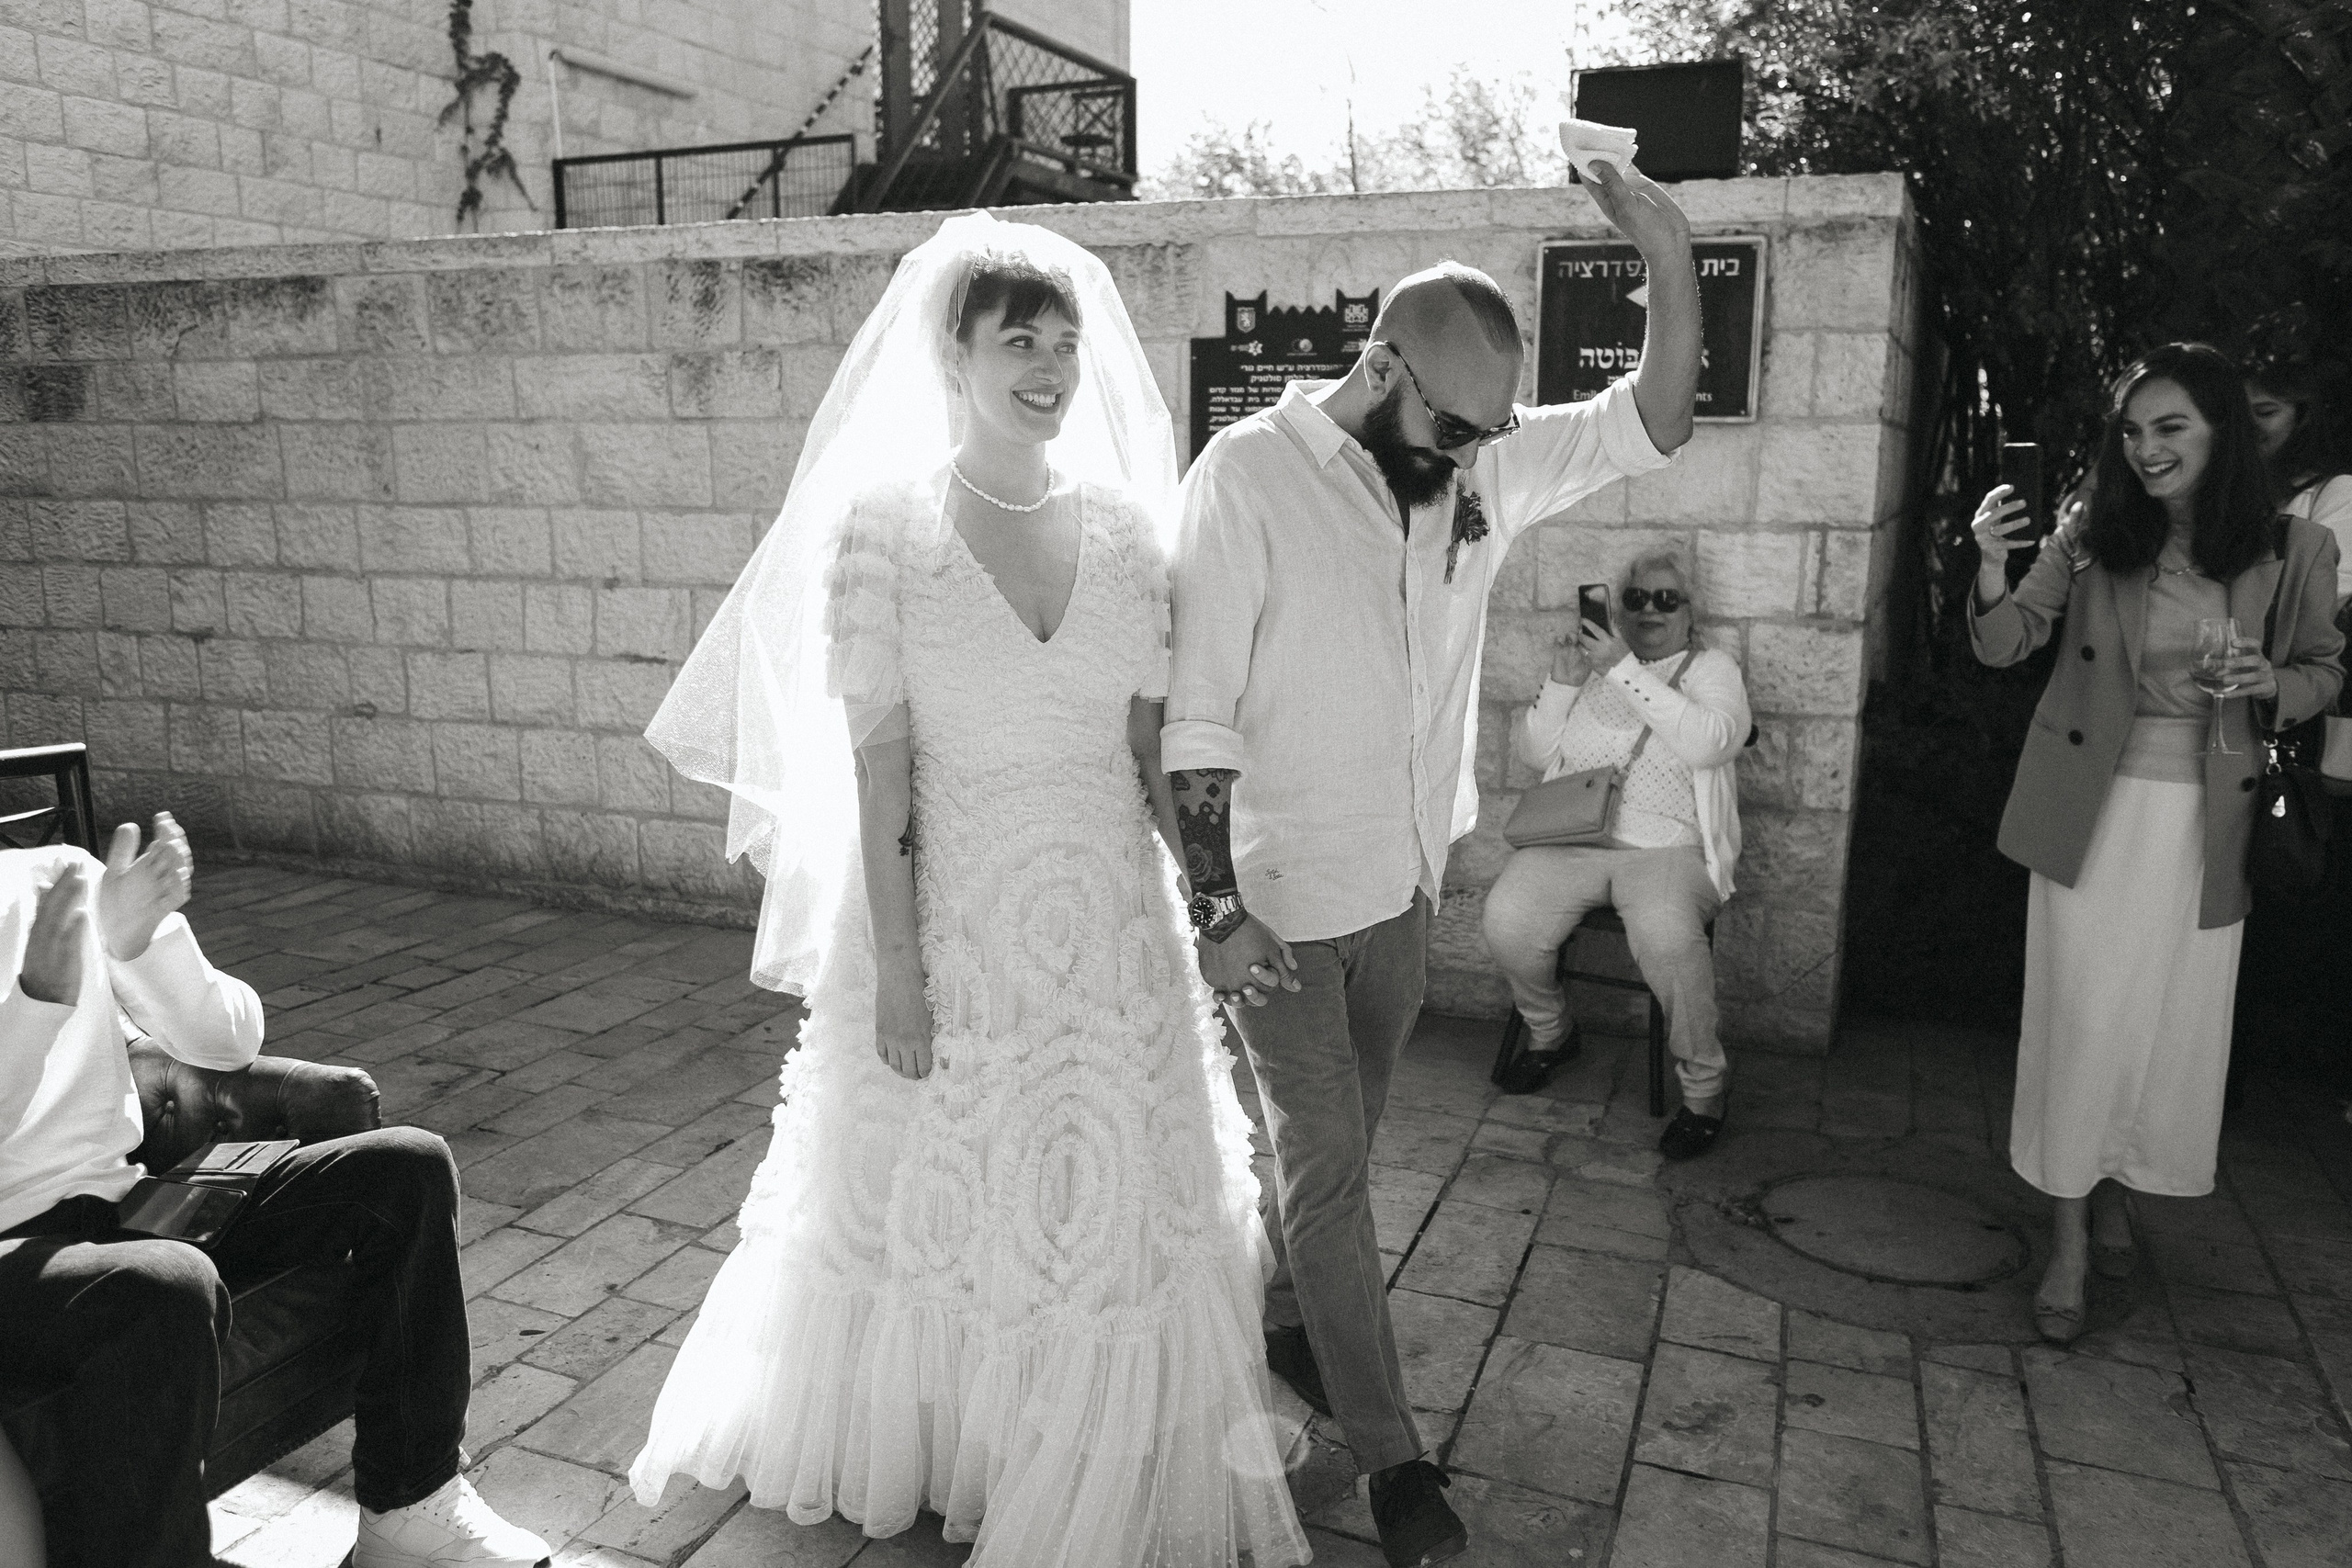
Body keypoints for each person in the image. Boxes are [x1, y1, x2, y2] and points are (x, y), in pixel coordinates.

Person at [627, 215, 1308, 1568]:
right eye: (1020, 342)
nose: (1051, 367)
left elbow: (1147, 751)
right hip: (956, 930)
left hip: (1112, 935)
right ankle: (958, 1444)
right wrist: (900, 978)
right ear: (956, 353)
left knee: (1106, 1206)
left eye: (1063, 342)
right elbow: (884, 793)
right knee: (953, 1202)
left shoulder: (1127, 531)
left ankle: (1088, 1445)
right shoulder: (880, 536)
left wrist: (1217, 913)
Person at [1164, 157, 1700, 1568]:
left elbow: (1656, 415)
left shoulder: (1470, 459)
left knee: (1331, 1160)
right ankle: (1396, 1462)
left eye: (1488, 436)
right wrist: (1214, 910)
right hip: (1275, 903)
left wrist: (1668, 249)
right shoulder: (1248, 479)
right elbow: (1194, 715)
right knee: (1332, 1171)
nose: (1473, 458)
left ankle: (1288, 1314)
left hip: (1402, 893)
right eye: (1455, 427)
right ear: (1381, 362)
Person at [0, 823, 548, 1568]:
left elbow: (227, 1042)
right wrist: (35, 1001)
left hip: (128, 1202)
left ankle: (410, 1508)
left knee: (406, 1168)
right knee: (166, 1284)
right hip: (15, 1247)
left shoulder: (57, 874)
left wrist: (143, 940)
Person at [1968, 343, 2344, 1344]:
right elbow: (2004, 644)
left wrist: (2270, 683)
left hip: (2210, 821)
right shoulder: (2092, 533)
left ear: (2222, 429)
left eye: (2170, 426)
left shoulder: (2294, 549)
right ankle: (2070, 1240)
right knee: (2082, 1018)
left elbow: (2322, 673)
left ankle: (2116, 1188)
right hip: (2090, 812)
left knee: (2165, 1026)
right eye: (2132, 431)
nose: (2145, 449)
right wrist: (1995, 564)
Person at [1479, 548, 1751, 1157]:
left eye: (1666, 599)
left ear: (1690, 611)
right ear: (1619, 607)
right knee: (1507, 919)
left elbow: (1710, 743)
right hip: (1575, 839)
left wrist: (1624, 668)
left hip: (1671, 850)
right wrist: (1562, 682)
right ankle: (1551, 1033)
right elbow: (1532, 751)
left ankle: (1705, 1093)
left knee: (1668, 940)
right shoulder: (1596, 667)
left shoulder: (1711, 669)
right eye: (1636, 598)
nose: (1649, 610)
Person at [2246, 354, 2352, 606]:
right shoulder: (2224, 490)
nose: (2249, 424)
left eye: (2265, 412)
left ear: (2302, 418)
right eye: (2239, 414)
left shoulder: (2338, 492)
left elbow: (2330, 595)